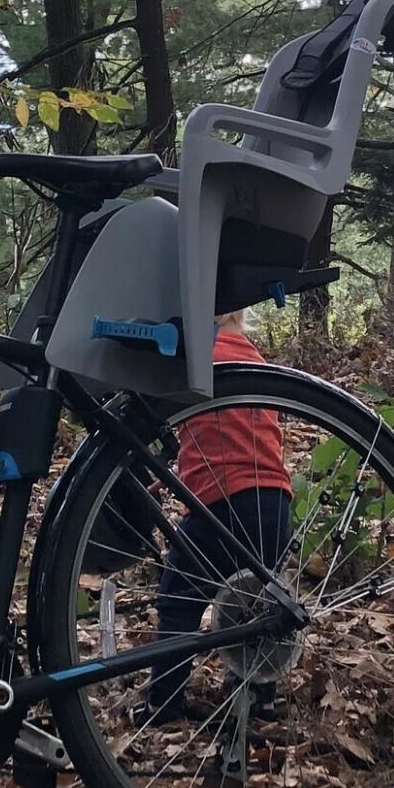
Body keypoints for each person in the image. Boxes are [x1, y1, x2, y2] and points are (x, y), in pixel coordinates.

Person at [136, 310, 293, 726]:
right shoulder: (252, 358)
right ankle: (260, 696)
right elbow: (223, 434)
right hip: (275, 502)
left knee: (179, 600)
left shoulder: (198, 357)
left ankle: (163, 703)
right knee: (257, 605)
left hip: (221, 505)